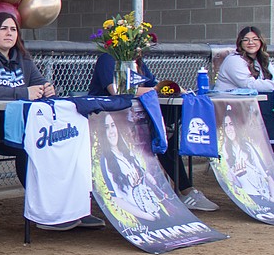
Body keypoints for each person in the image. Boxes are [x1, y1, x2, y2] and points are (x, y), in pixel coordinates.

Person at [0, 13, 104, 230]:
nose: (9, 33)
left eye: (14, 29)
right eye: (3, 29)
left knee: (64, 137)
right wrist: (23, 92)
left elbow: (38, 82)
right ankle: (49, 213)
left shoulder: (22, 57)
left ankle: (72, 207)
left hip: (21, 122)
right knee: (33, 143)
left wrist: (48, 88)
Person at [88, 51, 219, 212]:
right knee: (157, 134)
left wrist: (170, 88)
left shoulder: (138, 62)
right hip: (106, 118)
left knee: (166, 133)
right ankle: (178, 189)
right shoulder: (108, 59)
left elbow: (151, 84)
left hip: (133, 116)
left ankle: (185, 190)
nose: (139, 48)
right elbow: (116, 90)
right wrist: (156, 89)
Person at [213, 26, 274, 184]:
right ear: (240, 43)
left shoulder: (262, 59)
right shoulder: (234, 60)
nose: (251, 42)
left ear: (261, 41)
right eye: (246, 39)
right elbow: (249, 85)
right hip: (229, 110)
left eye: (255, 39)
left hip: (253, 108)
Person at [97, 112, 165, 221]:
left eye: (113, 125)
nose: (111, 131)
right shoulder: (106, 161)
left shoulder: (128, 153)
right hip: (139, 217)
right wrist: (146, 217)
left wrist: (149, 177)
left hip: (152, 207)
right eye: (106, 128)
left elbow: (143, 173)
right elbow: (116, 199)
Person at [218, 106, 274, 205]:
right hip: (248, 197)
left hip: (264, 193)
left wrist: (273, 198)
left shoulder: (247, 147)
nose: (229, 129)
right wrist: (236, 176)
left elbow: (267, 175)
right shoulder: (225, 149)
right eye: (225, 125)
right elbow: (231, 181)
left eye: (231, 124)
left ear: (236, 126)